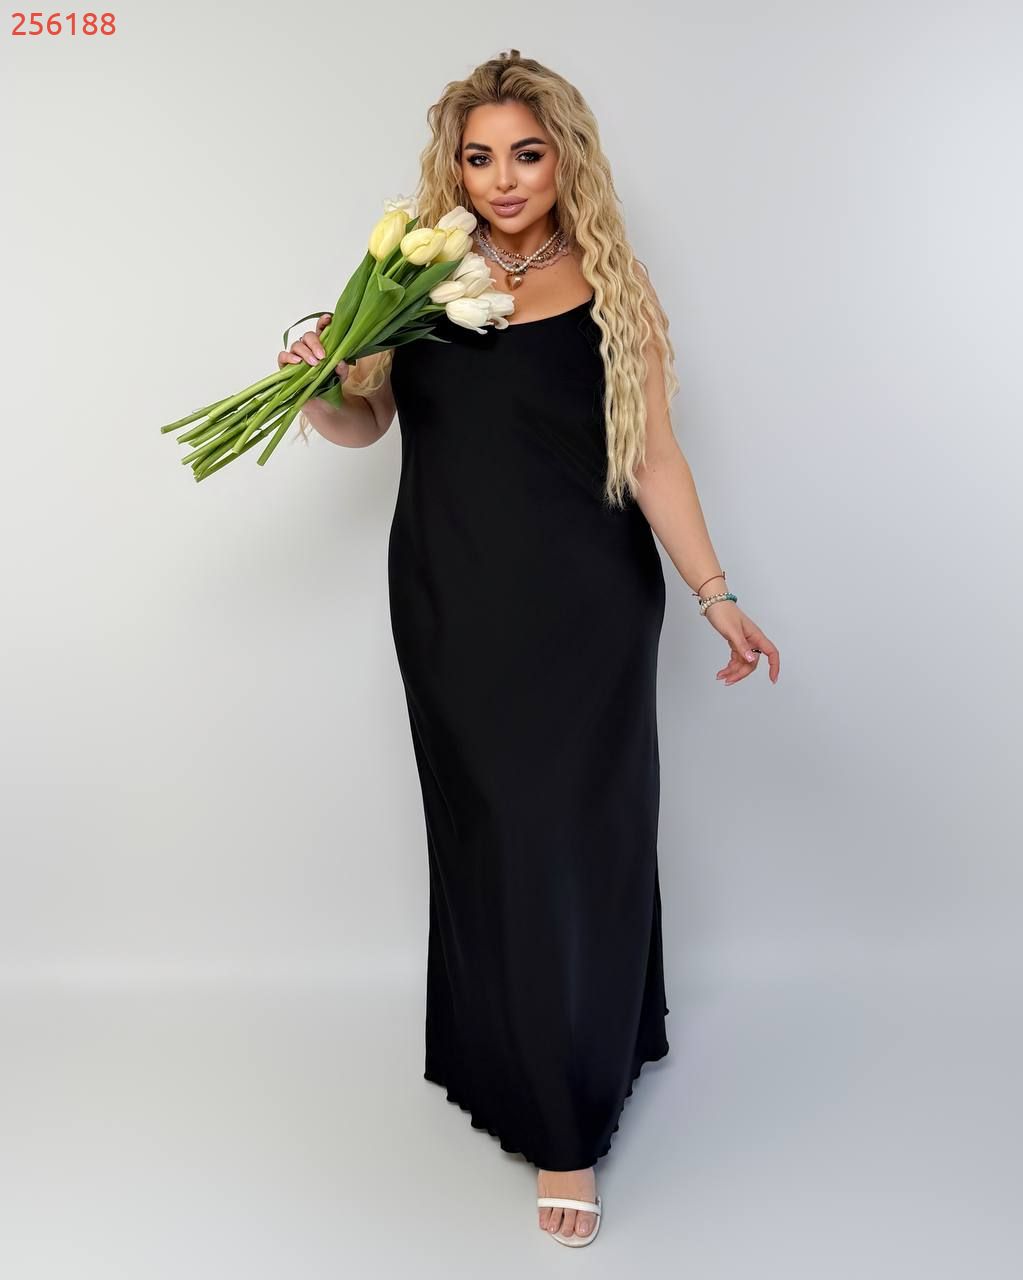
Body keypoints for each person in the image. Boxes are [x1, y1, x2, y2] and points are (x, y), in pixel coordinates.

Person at [278, 49, 780, 1248]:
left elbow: (653, 456)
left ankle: (568, 1123)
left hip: (589, 605)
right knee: (494, 841)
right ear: (454, 167)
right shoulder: (409, 276)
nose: (503, 178)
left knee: (579, 840)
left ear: (566, 160)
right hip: (452, 603)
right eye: (480, 156)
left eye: (527, 153)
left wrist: (714, 591)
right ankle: (512, 1054)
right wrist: (315, 384)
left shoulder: (612, 279)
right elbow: (364, 424)